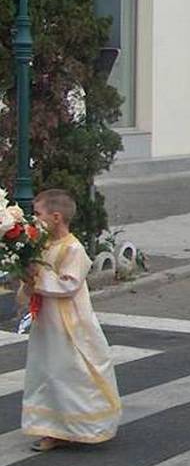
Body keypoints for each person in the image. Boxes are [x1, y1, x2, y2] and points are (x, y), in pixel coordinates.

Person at [19, 189, 121, 452]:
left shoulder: (73, 248)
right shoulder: (42, 245)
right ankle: (51, 427)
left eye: (38, 214)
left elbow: (69, 284)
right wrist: (25, 275)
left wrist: (38, 278)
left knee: (72, 371)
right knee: (46, 372)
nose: (34, 219)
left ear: (56, 217)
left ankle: (81, 425)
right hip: (47, 322)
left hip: (70, 323)